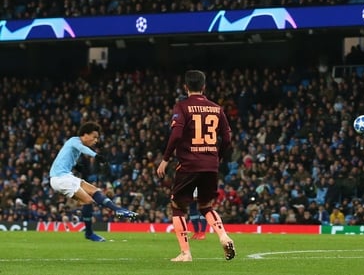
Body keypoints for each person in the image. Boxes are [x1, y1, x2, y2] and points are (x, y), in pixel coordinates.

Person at [156, 70, 235, 262]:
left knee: (177, 205)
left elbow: (175, 135)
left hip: (189, 164)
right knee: (206, 205)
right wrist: (218, 156)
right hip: (211, 164)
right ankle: (223, 236)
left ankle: (185, 253)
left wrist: (165, 159)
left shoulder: (182, 106)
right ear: (204, 87)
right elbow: (227, 137)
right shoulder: (217, 109)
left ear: (186, 87)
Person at [49, 122, 138, 229]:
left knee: (95, 191)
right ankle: (87, 230)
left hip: (65, 176)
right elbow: (82, 148)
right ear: (85, 135)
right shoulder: (74, 140)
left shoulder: (74, 147)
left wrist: (76, 165)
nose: (96, 140)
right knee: (88, 201)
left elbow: (66, 158)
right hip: (60, 178)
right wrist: (96, 156)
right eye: (94, 137)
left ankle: (116, 210)